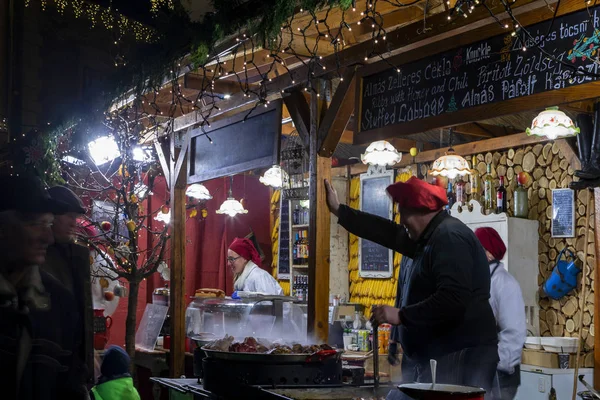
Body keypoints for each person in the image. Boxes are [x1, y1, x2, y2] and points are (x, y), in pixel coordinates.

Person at [324, 177, 499, 397]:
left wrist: (401, 315)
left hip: (460, 357)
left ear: (421, 211)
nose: (402, 222)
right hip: (438, 357)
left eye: (404, 214)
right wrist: (340, 211)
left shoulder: (449, 238)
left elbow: (453, 299)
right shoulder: (429, 236)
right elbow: (387, 232)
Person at [0, 175, 92, 399]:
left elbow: (71, 387)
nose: (48, 237)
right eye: (35, 224)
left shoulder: (60, 304)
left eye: (49, 224)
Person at [41, 185, 94, 388]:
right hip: (50, 370)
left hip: (74, 369)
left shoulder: (75, 256)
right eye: (69, 216)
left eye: (76, 216)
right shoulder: (37, 257)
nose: (75, 222)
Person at [475, 227, 526, 400]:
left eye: (477, 248)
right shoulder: (481, 279)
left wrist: (496, 364)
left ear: (489, 253)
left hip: (501, 375)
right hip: (482, 371)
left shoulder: (505, 283)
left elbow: (514, 333)